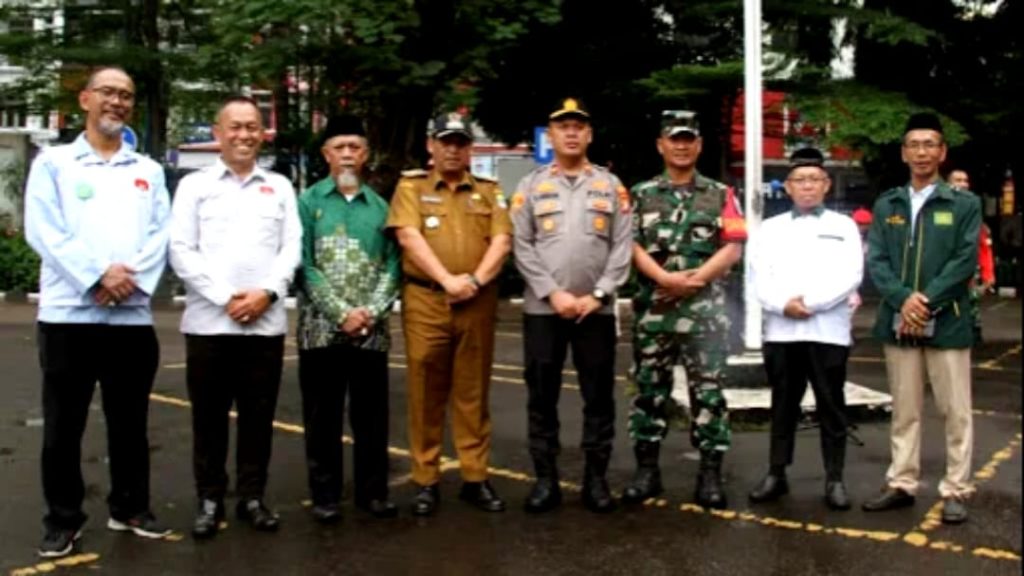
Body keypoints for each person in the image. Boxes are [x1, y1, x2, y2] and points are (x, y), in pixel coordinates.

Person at [23, 66, 172, 558]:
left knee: (130, 423)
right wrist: (96, 276)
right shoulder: (54, 163)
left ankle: (130, 506)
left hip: (130, 319)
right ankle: (63, 519)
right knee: (63, 427)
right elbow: (43, 231)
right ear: (85, 99)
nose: (117, 102)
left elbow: (160, 236)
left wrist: (125, 283)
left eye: (126, 95)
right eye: (107, 92)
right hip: (69, 317)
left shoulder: (147, 171)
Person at [169, 95, 302, 538]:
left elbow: (292, 248)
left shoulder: (280, 186)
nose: (244, 135)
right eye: (235, 127)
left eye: (252, 127)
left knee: (258, 417)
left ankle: (252, 496)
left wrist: (266, 293)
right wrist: (227, 298)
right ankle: (209, 498)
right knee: (208, 418)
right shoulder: (194, 186)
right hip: (209, 325)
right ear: (217, 133)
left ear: (263, 133)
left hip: (264, 326)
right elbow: (181, 251)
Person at [385, 111, 512, 516]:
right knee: (426, 390)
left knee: (473, 391)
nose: (453, 149)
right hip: (427, 300)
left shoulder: (489, 191)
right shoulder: (411, 188)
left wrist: (472, 282)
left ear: (470, 148)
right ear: (431, 145)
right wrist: (447, 280)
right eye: (445, 141)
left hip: (476, 301)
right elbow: (409, 237)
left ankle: (476, 476)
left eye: (460, 142)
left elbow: (502, 242)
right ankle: (426, 478)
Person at [511, 98, 632, 514]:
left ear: (589, 134)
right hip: (544, 311)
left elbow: (622, 246)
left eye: (579, 126)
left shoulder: (610, 186)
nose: (572, 133)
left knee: (598, 397)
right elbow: (521, 245)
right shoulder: (531, 186)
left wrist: (597, 294)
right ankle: (546, 480)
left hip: (594, 312)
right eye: (563, 127)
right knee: (541, 397)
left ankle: (595, 481)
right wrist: (553, 292)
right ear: (552, 134)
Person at [622, 110, 745, 510]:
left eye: (688, 138)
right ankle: (647, 472)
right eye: (674, 138)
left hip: (706, 315)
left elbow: (733, 244)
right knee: (649, 394)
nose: (681, 145)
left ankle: (710, 474)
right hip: (654, 313)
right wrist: (664, 278)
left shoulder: (721, 193)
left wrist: (696, 280)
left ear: (699, 145)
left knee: (709, 396)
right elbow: (629, 244)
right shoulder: (639, 194)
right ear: (660, 144)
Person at [862, 113, 981, 524]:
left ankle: (955, 489)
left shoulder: (963, 203)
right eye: (914, 144)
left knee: (955, 410)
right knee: (905, 409)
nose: (922, 151)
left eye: (930, 144)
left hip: (947, 320)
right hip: (899, 320)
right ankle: (902, 482)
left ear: (942, 152)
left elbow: (965, 260)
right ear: (903, 152)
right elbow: (876, 258)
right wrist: (901, 299)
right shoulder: (888, 203)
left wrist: (925, 300)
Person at [295, 115, 401, 523]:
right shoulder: (308, 202)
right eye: (338, 148)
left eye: (354, 148)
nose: (346, 155)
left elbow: (393, 266)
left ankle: (373, 493)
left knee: (372, 418)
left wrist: (369, 313)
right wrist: (341, 313)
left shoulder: (381, 207)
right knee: (322, 417)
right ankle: (325, 494)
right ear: (326, 154)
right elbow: (303, 264)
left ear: (365, 154)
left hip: (370, 335)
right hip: (320, 330)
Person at [748, 147, 862, 510]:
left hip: (828, 331)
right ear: (788, 187)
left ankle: (835, 478)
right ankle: (776, 473)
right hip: (782, 332)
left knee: (832, 406)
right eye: (800, 180)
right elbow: (756, 279)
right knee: (783, 405)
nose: (808, 186)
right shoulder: (769, 229)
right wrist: (784, 305)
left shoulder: (843, 227)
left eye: (815, 179)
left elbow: (852, 275)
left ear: (826, 184)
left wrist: (809, 304)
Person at [946, 168, 995, 342]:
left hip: (969, 269)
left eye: (965, 180)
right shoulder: (940, 209)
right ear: (948, 184)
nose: (963, 184)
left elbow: (984, 247)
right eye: (957, 180)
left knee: (969, 304)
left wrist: (988, 273)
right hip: (944, 268)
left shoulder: (975, 214)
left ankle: (971, 334)